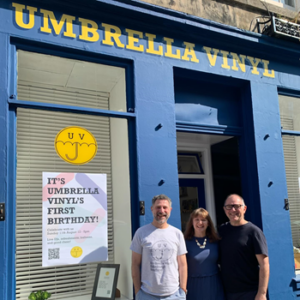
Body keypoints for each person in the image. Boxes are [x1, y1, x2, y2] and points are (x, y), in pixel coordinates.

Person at [130, 194, 188, 300]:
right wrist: (138, 291)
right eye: (158, 207)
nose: (161, 211)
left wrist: (183, 290)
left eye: (165, 207)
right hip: (147, 294)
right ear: (152, 209)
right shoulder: (141, 233)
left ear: (170, 210)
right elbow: (135, 264)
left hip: (174, 295)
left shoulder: (177, 233)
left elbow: (182, 264)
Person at [219, 194, 269, 300]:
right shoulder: (222, 231)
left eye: (237, 206)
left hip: (250, 292)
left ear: (244, 208)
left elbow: (264, 265)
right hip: (227, 292)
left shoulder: (254, 232)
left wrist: (262, 293)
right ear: (224, 209)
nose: (233, 210)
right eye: (229, 206)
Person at [184, 208, 225, 300]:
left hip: (214, 284)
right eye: (197, 220)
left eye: (203, 220)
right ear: (192, 222)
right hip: (193, 286)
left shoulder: (216, 241)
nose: (200, 223)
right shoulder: (184, 242)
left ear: (208, 223)